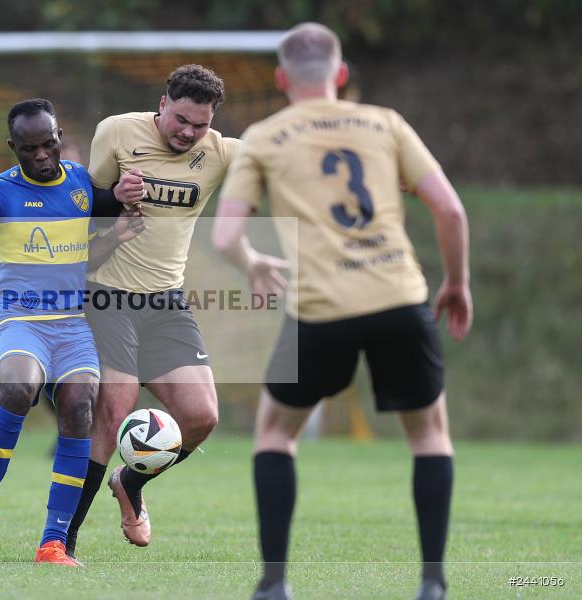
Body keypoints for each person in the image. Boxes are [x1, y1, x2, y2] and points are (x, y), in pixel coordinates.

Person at [212, 23, 472, 600]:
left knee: (275, 435)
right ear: (341, 74)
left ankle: (274, 584)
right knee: (430, 437)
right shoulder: (385, 123)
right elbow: (450, 211)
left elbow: (226, 235)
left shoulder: (263, 135)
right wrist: (456, 282)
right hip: (398, 298)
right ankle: (432, 583)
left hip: (319, 312)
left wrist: (254, 260)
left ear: (281, 80)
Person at [0, 99, 144, 565]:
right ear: (14, 148)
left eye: (49, 144)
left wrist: (119, 225)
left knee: (79, 405)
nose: (43, 156)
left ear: (59, 136)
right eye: (30, 149)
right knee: (19, 385)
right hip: (18, 318)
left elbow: (82, 257)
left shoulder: (82, 185)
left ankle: (53, 542)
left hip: (71, 324)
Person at [65, 64, 254, 558]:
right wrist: (113, 200)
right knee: (114, 411)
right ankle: (62, 540)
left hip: (166, 300)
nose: (189, 132)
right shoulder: (116, 132)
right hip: (107, 294)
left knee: (201, 417)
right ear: (163, 103)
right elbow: (78, 206)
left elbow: (282, 159)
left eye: (201, 124)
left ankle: (130, 484)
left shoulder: (219, 153)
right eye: (182, 120)